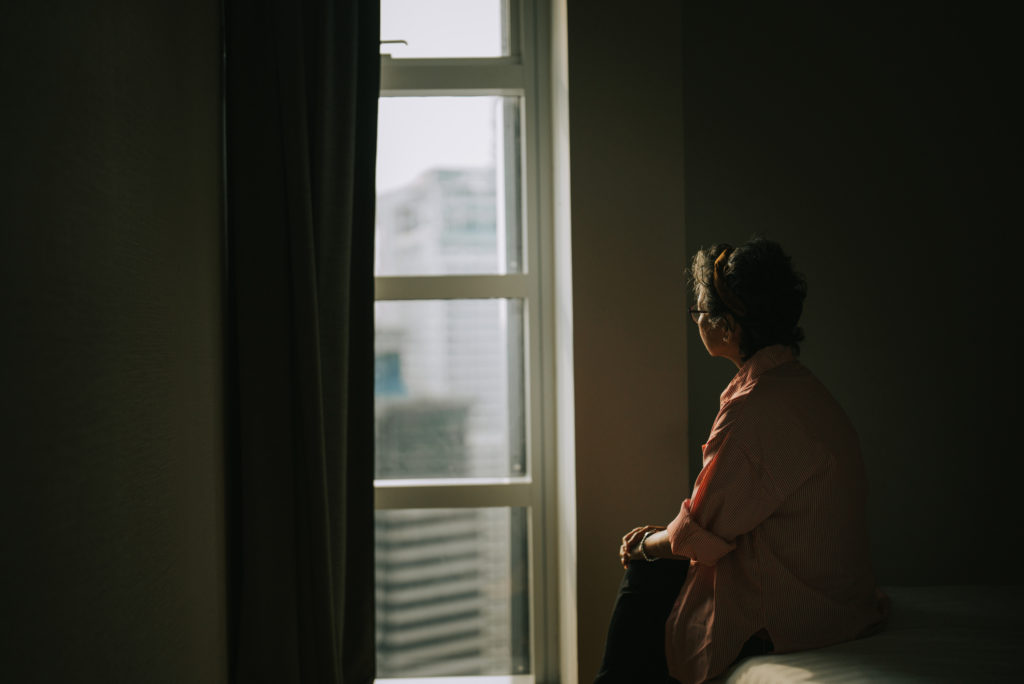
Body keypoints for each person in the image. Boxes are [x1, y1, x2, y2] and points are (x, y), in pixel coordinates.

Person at [594, 238, 889, 683]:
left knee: (646, 574)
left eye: (699, 313)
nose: (696, 322)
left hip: (797, 614)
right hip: (839, 603)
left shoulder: (754, 408)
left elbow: (701, 530)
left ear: (728, 327)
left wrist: (641, 546)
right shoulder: (801, 387)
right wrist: (664, 538)